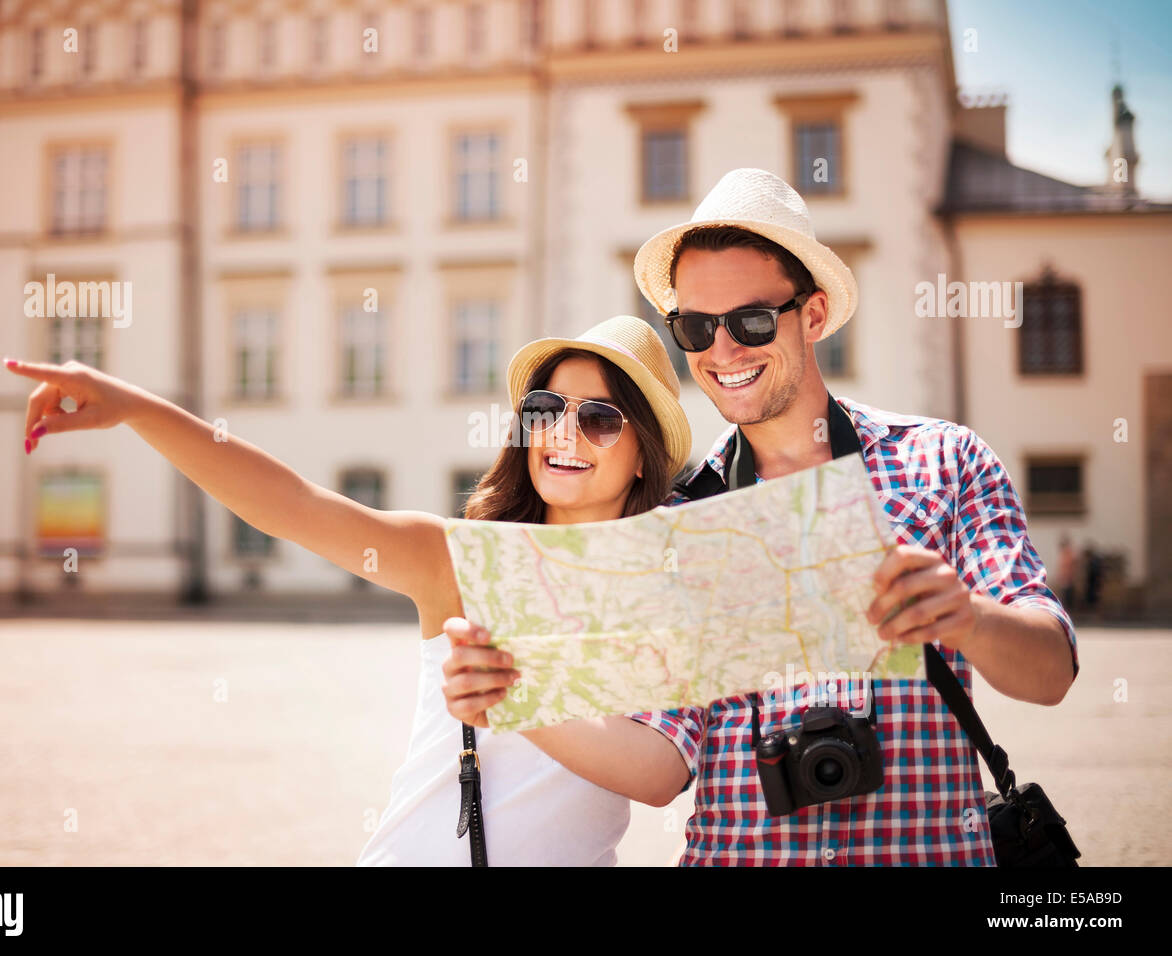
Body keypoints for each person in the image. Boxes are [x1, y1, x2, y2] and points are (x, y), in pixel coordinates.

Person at [442, 168, 1080, 865]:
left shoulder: (944, 461)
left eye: (750, 321)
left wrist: (967, 618)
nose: (722, 351)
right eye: (694, 327)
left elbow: (1050, 674)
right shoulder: (676, 522)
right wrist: (516, 693)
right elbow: (660, 768)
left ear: (813, 315)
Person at [3, 313, 693, 866]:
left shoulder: (664, 589)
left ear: (642, 456)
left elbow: (659, 776)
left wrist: (512, 697)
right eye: (545, 409)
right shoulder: (464, 560)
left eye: (600, 419)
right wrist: (135, 408)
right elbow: (291, 505)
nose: (564, 433)